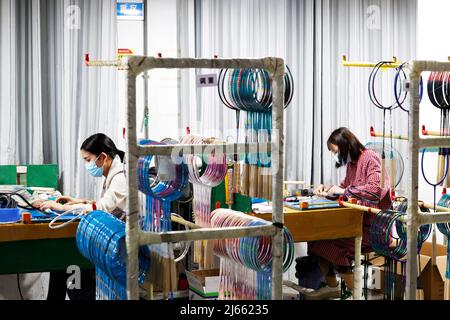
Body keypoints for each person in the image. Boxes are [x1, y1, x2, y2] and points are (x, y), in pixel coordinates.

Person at [305, 127, 391, 300]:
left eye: (335, 151)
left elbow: (376, 190)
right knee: (315, 241)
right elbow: (344, 187)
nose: (334, 156)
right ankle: (333, 287)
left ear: (345, 145)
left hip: (374, 229)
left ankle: (355, 294)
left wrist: (343, 190)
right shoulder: (352, 165)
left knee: (330, 244)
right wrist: (327, 189)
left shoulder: (370, 158)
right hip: (356, 224)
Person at [40, 133, 127, 300]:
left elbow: (100, 208)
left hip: (118, 248)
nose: (87, 165)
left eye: (88, 160)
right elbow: (111, 205)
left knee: (69, 263)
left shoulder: (120, 177)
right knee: (62, 262)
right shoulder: (112, 173)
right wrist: (78, 201)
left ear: (102, 157)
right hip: (111, 239)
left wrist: (59, 207)